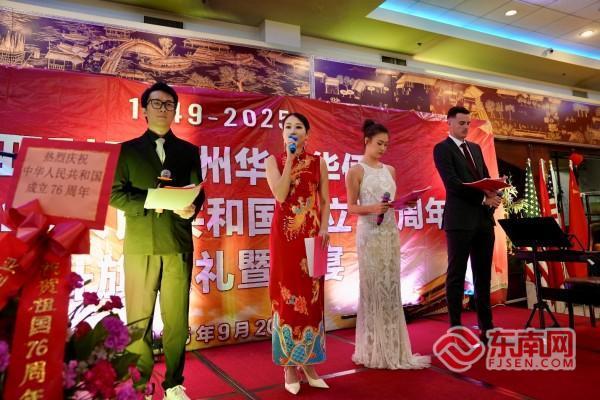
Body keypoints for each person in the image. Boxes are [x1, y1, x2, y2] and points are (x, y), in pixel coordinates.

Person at [110, 81, 205, 400]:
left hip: (177, 244)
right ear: (144, 110)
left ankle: (174, 384)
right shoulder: (126, 150)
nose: (163, 109)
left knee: (176, 320)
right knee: (139, 319)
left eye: (169, 104)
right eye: (156, 103)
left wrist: (191, 208)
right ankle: (141, 385)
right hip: (141, 246)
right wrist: (152, 201)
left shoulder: (188, 152)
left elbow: (197, 192)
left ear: (175, 111)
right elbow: (115, 194)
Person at [346, 119, 430, 370]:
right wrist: (372, 208)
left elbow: (390, 203)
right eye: (379, 143)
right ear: (367, 141)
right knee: (373, 288)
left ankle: (393, 346)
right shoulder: (356, 171)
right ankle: (373, 347)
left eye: (386, 144)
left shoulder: (390, 170)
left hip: (389, 233)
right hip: (369, 235)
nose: (383, 148)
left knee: (391, 288)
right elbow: (351, 207)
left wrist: (404, 203)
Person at [265, 113, 331, 395]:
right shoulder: (273, 161)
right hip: (285, 240)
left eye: (299, 127)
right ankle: (289, 366)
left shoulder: (319, 162)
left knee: (313, 297)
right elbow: (281, 195)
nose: (293, 130)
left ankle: (310, 363)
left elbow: (325, 200)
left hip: (314, 237)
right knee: (287, 296)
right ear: (282, 134)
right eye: (288, 127)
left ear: (308, 133)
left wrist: (324, 228)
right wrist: (290, 160)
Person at [433, 106, 501, 343]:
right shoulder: (442, 149)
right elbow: (452, 184)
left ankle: (486, 327)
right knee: (456, 275)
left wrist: (495, 192)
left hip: (483, 220)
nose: (465, 127)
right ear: (449, 123)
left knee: (483, 276)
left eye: (468, 123)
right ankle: (456, 328)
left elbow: (485, 177)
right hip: (459, 220)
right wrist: (483, 198)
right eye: (461, 123)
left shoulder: (475, 148)